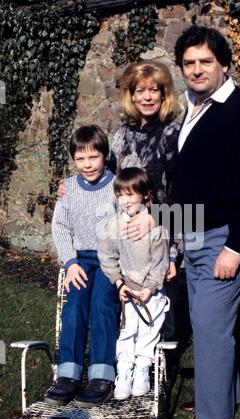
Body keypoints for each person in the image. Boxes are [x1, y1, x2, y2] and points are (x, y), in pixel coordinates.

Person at [171, 26, 240, 419]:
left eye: (205, 62)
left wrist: (235, 247)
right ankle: (221, 398)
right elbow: (193, 178)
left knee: (210, 324)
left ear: (224, 65)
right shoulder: (196, 106)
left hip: (228, 233)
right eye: (189, 63)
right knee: (205, 319)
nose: (196, 69)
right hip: (194, 225)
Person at [57, 61, 181, 338]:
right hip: (127, 240)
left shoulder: (175, 135)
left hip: (163, 238)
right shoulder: (122, 135)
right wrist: (69, 186)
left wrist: (172, 252)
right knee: (125, 312)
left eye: (153, 90)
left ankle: (157, 377)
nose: (146, 97)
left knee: (159, 313)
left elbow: (185, 196)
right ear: (131, 95)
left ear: (164, 94)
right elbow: (104, 178)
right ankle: (120, 373)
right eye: (139, 91)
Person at [45, 125, 119, 408]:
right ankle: (68, 374)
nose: (87, 165)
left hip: (109, 261)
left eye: (93, 157)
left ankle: (101, 376)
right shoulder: (69, 188)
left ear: (105, 156)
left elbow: (127, 226)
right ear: (73, 160)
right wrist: (70, 262)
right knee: (73, 308)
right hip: (79, 261)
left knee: (102, 306)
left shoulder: (116, 187)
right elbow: (60, 227)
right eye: (80, 159)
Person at [99, 167, 170, 400]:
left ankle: (142, 370)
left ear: (145, 195)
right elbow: (107, 257)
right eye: (120, 195)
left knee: (148, 332)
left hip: (151, 293)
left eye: (130, 194)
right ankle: (124, 372)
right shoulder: (114, 225)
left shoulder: (156, 226)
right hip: (127, 291)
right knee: (127, 331)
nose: (125, 200)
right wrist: (120, 284)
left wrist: (149, 288)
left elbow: (161, 262)